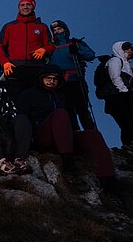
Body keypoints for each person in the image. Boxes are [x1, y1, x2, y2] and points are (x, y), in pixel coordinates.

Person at [16, 65, 122, 198]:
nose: (52, 81)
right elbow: (21, 118)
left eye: (55, 79)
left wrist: (76, 130)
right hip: (42, 137)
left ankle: (109, 183)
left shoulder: (63, 96)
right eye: (48, 78)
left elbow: (72, 118)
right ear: (41, 79)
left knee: (93, 135)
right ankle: (69, 167)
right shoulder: (29, 94)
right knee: (59, 114)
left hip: (65, 138)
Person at [0, 0, 55, 100]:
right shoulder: (9, 26)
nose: (25, 7)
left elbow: (51, 45)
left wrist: (44, 50)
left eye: (28, 4)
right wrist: (5, 62)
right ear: (18, 7)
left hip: (36, 68)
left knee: (36, 99)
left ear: (33, 7)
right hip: (15, 68)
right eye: (22, 5)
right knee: (14, 99)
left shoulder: (42, 27)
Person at [103, 41, 133, 151]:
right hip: (117, 98)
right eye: (126, 49)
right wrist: (126, 91)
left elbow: (127, 79)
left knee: (131, 121)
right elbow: (115, 78)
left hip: (121, 97)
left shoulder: (125, 63)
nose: (130, 51)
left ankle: (132, 145)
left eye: (131, 49)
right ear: (120, 49)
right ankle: (130, 145)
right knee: (129, 121)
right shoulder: (115, 61)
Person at [48, 20, 96, 130]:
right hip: (59, 82)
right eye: (54, 30)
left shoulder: (75, 43)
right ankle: (75, 134)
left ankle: (91, 134)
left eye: (59, 29)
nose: (56, 32)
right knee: (66, 110)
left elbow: (91, 55)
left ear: (65, 30)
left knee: (82, 109)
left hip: (76, 80)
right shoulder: (51, 47)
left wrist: (78, 52)